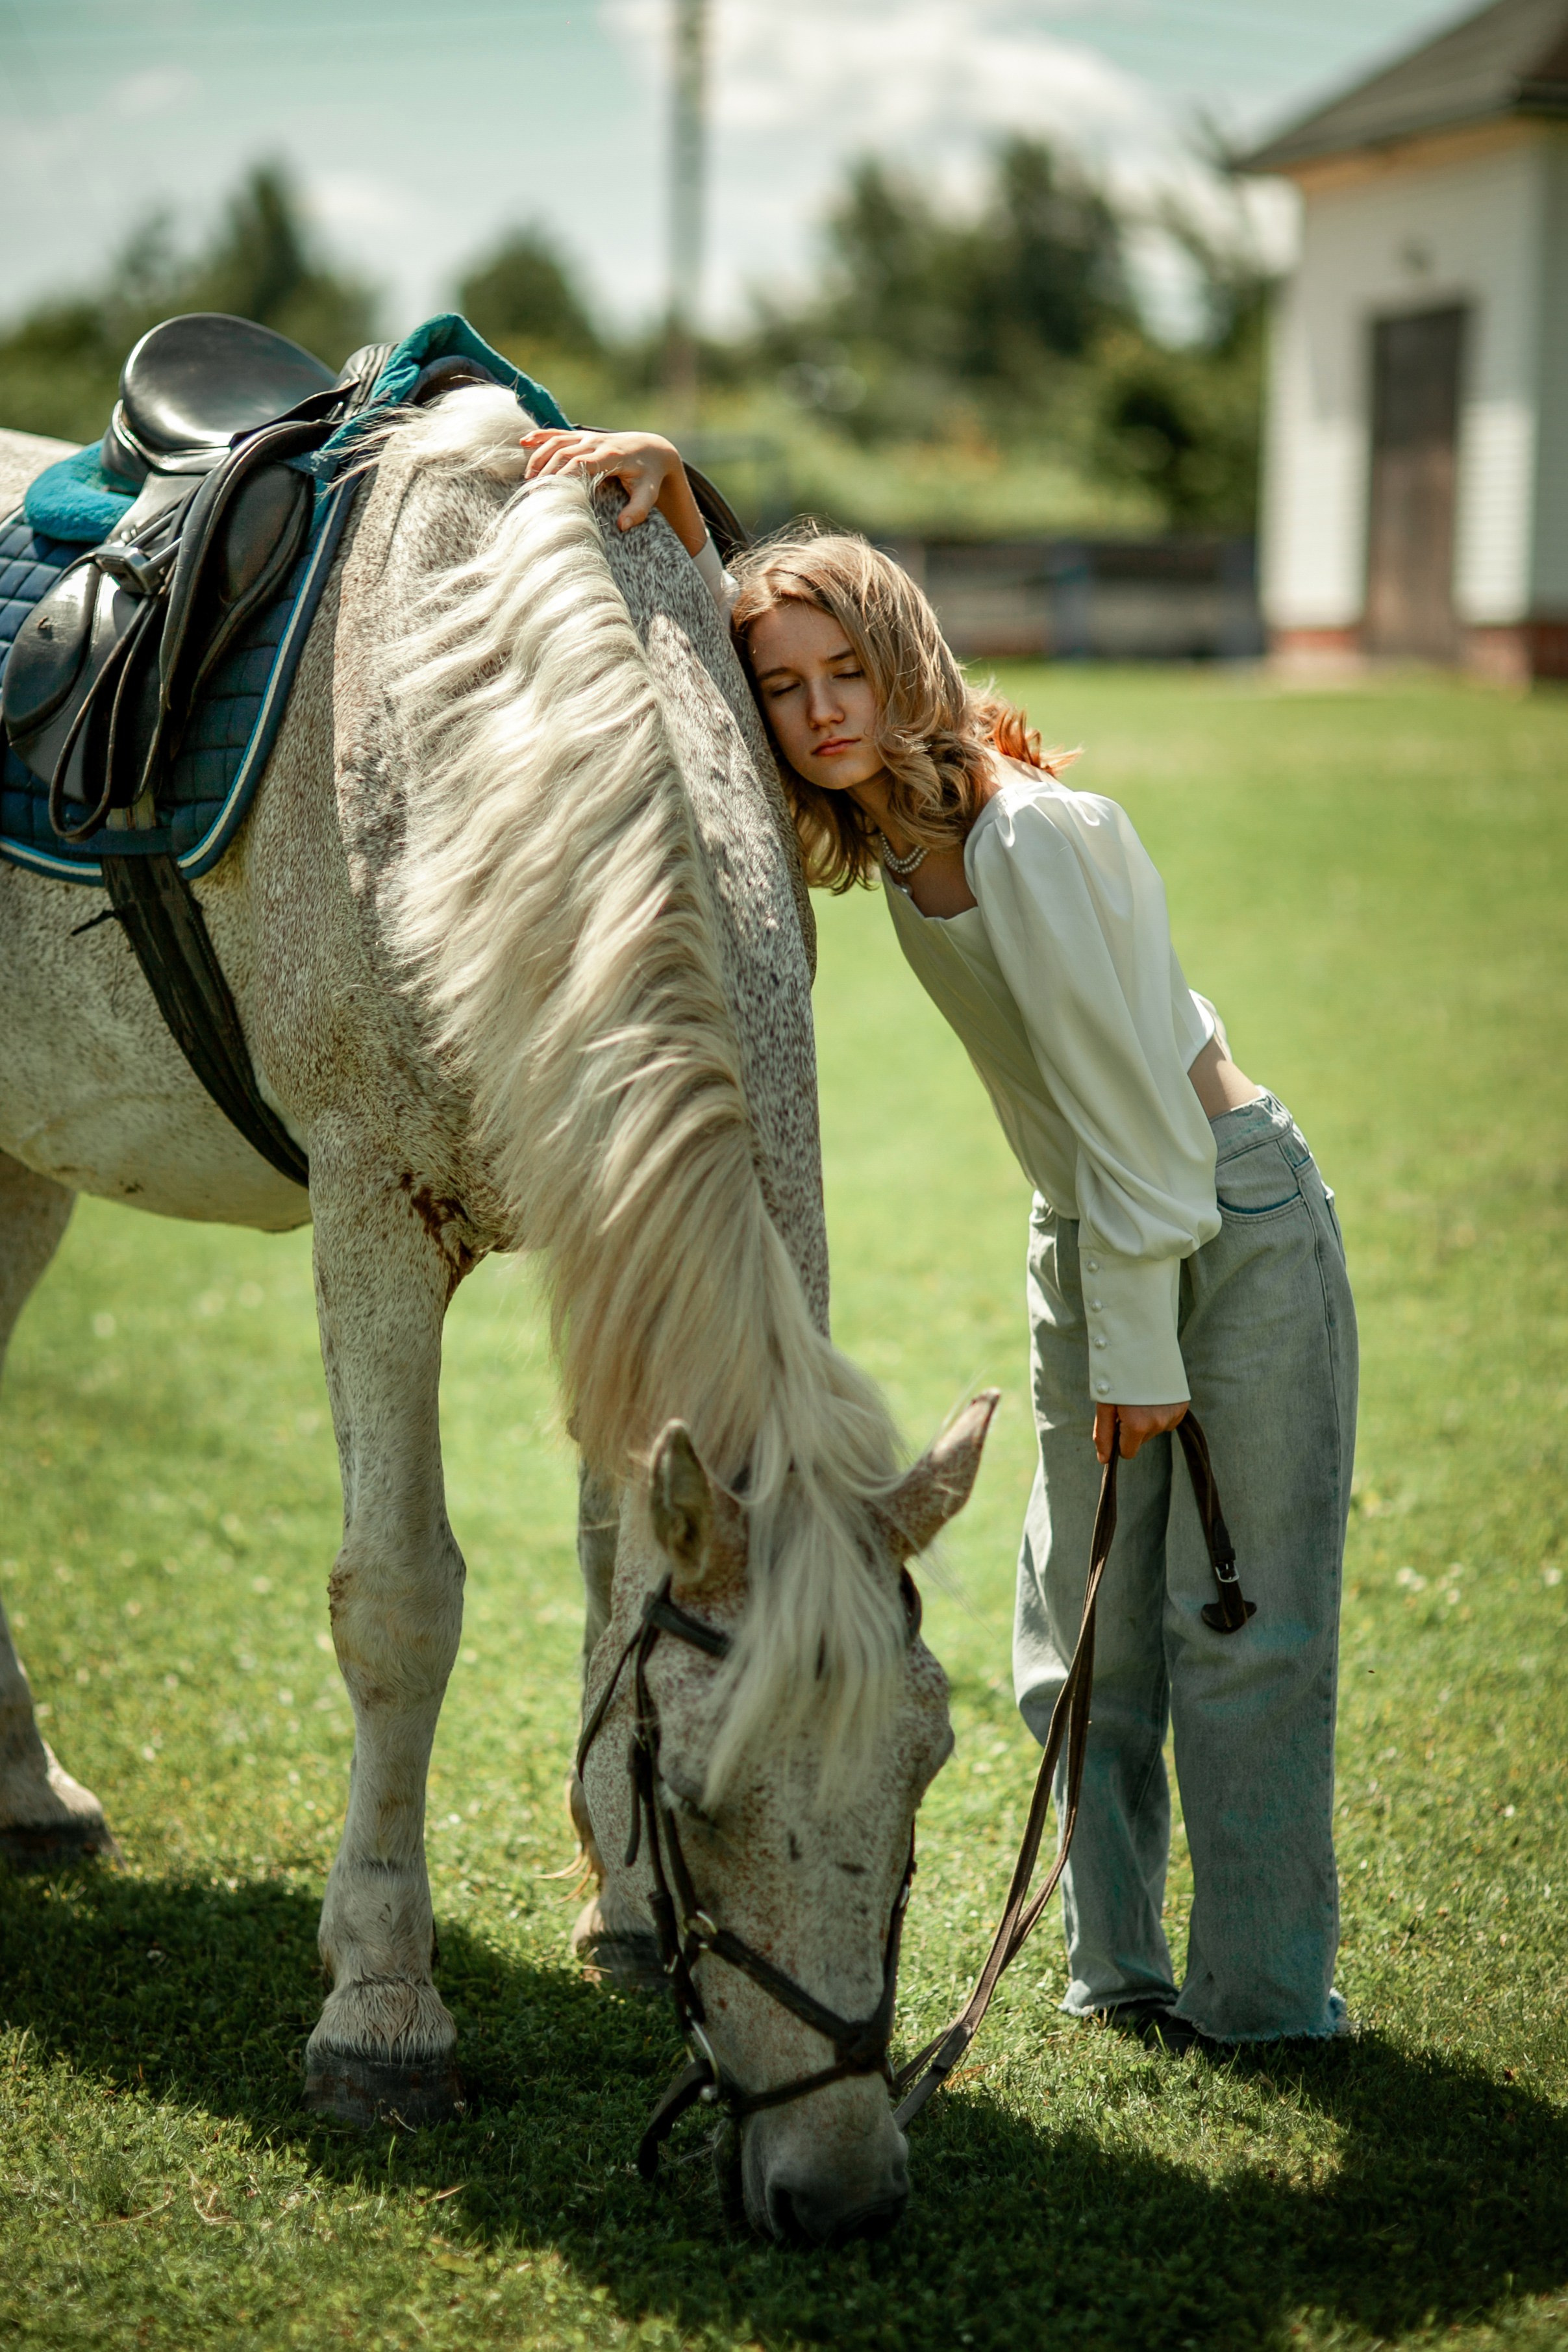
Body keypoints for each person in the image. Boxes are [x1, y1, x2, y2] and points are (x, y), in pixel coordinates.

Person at [521, 426, 1358, 2049]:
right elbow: (714, 646)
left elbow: (1147, 1135)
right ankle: (1117, 1972)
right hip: (1094, 1230)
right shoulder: (902, 841)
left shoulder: (1030, 837)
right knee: (1080, 1632)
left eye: (849, 670)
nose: (818, 708)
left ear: (908, 664)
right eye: (784, 688)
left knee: (1239, 1627)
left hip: (1223, 1223)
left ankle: (1263, 2004)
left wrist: (1137, 1356)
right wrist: (683, 505)